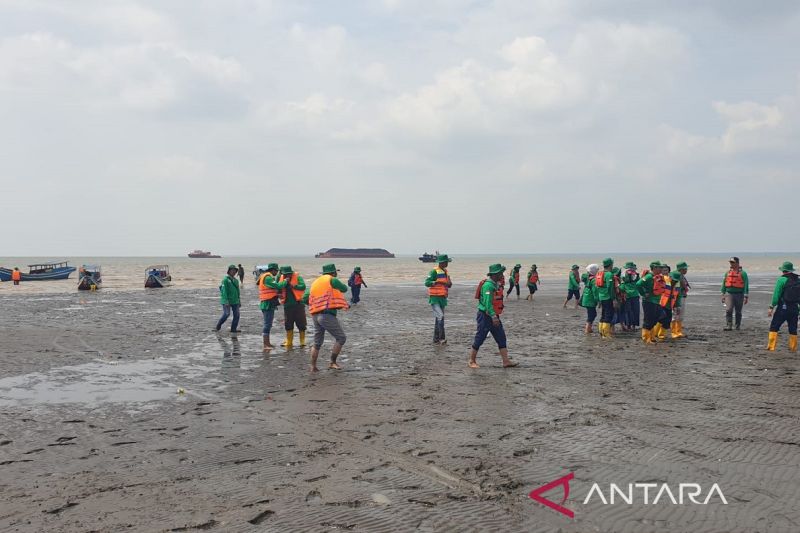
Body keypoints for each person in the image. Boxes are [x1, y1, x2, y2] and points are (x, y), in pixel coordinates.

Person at [468, 264, 517, 369]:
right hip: (485, 316)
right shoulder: (488, 286)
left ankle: (506, 361)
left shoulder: (495, 284)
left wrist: (495, 316)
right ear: (495, 274)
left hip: (494, 315)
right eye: (500, 273)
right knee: (480, 337)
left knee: (501, 337)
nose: (502, 275)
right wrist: (494, 317)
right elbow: (487, 303)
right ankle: (472, 360)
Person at [308, 263, 349, 372]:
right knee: (341, 338)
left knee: (317, 342)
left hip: (315, 315)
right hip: (326, 314)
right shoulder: (331, 280)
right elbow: (344, 288)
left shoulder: (315, 283)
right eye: (335, 272)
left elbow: (304, 298)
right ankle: (332, 362)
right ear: (333, 272)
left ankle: (313, 366)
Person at [767, 261, 799, 352]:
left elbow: (776, 295)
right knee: (793, 328)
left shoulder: (781, 280)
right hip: (795, 307)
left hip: (783, 308)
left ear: (783, 270)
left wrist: (771, 306)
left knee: (774, 326)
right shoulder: (798, 280)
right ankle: (793, 348)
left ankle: (771, 347)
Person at [257, 263, 286, 352]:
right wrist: (286, 281)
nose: (277, 272)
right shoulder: (268, 277)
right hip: (267, 303)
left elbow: (271, 289)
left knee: (268, 323)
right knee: (267, 324)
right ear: (273, 270)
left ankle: (267, 343)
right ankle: (266, 344)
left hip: (267, 302)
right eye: (276, 271)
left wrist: (277, 294)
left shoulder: (265, 277)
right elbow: (278, 286)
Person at [424, 254, 453, 345]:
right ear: (441, 262)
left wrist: (449, 284)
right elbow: (427, 283)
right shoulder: (433, 272)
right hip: (435, 298)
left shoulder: (446, 272)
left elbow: (449, 284)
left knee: (438, 318)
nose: (447, 263)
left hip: (442, 298)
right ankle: (441, 338)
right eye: (446, 262)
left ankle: (436, 339)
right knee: (440, 317)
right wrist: (436, 281)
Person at [278, 265, 307, 348]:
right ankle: (289, 342)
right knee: (288, 324)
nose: (288, 275)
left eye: (289, 274)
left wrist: (294, 286)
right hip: (287, 305)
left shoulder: (298, 277)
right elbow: (278, 287)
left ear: (292, 272)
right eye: (286, 274)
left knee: (301, 323)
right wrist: (279, 293)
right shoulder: (281, 278)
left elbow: (303, 286)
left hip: (299, 304)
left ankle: (302, 341)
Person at [636, 261, 664, 344]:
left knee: (656, 318)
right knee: (648, 319)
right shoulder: (648, 277)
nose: (661, 269)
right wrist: (643, 293)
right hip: (649, 301)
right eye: (660, 267)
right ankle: (646, 338)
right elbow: (638, 284)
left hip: (656, 301)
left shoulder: (658, 277)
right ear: (654, 268)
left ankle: (652, 337)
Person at [721, 257, 749, 331]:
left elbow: (746, 284)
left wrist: (746, 296)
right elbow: (724, 283)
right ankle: (729, 325)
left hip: (739, 294)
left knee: (738, 311)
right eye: (730, 262)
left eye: (733, 262)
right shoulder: (727, 273)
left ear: (737, 263)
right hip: (729, 294)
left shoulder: (743, 273)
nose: (731, 264)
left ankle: (737, 326)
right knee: (729, 309)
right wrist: (723, 294)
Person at [216, 264, 242, 334]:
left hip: (235, 300)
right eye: (232, 270)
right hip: (226, 300)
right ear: (229, 271)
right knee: (226, 314)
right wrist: (226, 301)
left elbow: (237, 291)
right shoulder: (225, 280)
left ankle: (233, 329)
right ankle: (218, 325)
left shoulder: (236, 281)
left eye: (235, 271)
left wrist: (239, 300)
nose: (234, 272)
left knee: (237, 315)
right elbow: (224, 291)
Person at [595, 258, 615, 338]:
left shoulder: (599, 273)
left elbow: (596, 286)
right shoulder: (609, 274)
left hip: (601, 296)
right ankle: (606, 334)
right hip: (607, 297)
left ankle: (601, 332)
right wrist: (613, 298)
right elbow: (610, 287)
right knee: (608, 315)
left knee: (603, 314)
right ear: (611, 265)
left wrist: (598, 298)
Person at [671, 261, 690, 339]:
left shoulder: (681, 275)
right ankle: (674, 332)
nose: (686, 270)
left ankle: (678, 331)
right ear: (681, 269)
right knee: (676, 314)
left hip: (682, 296)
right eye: (685, 268)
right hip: (677, 297)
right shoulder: (676, 275)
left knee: (680, 315)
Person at [620, 262, 640, 331]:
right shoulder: (636, 275)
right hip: (635, 294)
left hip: (627, 295)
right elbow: (639, 284)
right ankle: (634, 326)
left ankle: (628, 326)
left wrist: (622, 292)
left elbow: (622, 286)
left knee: (628, 311)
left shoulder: (624, 274)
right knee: (635, 311)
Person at [581, 264, 599, 334]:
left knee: (591, 313)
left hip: (586, 298)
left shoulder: (587, 278)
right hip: (590, 299)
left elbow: (583, 276)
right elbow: (595, 291)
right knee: (592, 314)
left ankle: (589, 328)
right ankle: (587, 329)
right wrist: (597, 299)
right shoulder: (593, 280)